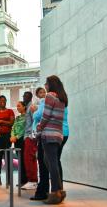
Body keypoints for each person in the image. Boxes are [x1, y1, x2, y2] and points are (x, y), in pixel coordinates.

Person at [37, 75, 68, 204]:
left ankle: (55, 192)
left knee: (52, 162)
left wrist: (39, 126)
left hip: (49, 134)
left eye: (46, 83)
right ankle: (59, 189)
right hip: (58, 134)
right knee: (48, 160)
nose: (45, 85)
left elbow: (46, 115)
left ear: (51, 84)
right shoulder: (62, 98)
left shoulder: (50, 96)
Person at [30, 87, 50, 201]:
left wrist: (34, 112)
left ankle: (43, 191)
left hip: (43, 134)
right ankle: (45, 190)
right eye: (41, 92)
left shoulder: (44, 102)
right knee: (44, 163)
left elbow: (37, 116)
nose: (43, 93)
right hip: (41, 133)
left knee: (43, 164)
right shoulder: (42, 102)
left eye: (44, 91)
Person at [21, 91, 38, 190]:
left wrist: (31, 135)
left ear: (30, 97)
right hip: (27, 135)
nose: (24, 98)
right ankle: (31, 180)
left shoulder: (31, 107)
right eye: (24, 96)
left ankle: (33, 180)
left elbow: (34, 121)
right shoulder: (27, 107)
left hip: (30, 136)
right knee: (28, 158)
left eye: (26, 96)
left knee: (29, 158)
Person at [10, 101, 26, 186]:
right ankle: (21, 180)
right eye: (17, 106)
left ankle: (25, 180)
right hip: (15, 141)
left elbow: (25, 129)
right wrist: (12, 136)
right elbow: (13, 128)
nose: (18, 108)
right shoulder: (17, 118)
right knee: (20, 160)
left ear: (24, 107)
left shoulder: (27, 117)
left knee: (24, 160)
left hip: (22, 140)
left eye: (19, 106)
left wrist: (17, 137)